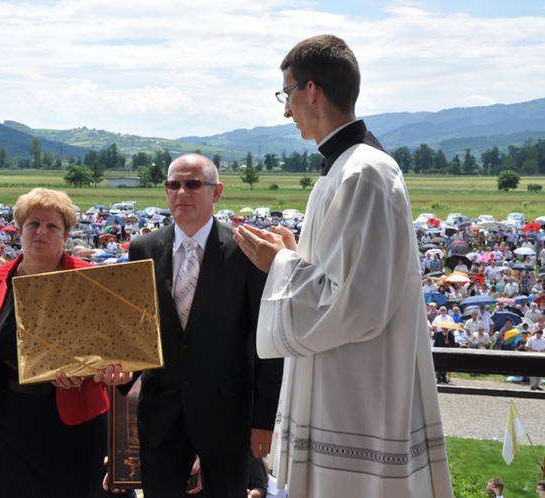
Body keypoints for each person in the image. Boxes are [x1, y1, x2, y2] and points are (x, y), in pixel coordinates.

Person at [233, 34, 453, 496]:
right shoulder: (346, 169)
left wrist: (279, 264)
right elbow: (344, 275)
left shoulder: (363, 173)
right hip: (343, 389)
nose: (285, 110)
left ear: (311, 90)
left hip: (355, 403)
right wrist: (294, 254)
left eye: (287, 93)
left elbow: (355, 304)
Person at [0, 188, 131, 498]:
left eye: (52, 226)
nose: (41, 232)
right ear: (20, 230)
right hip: (5, 424)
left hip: (73, 424)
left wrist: (88, 371)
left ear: (65, 235)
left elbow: (111, 352)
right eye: (33, 223)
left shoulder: (89, 280)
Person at [126, 153, 283, 497]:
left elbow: (266, 339)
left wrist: (263, 420)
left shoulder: (245, 251)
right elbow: (134, 328)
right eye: (173, 184)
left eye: (193, 184)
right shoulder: (143, 248)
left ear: (217, 192)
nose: (181, 192)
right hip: (161, 417)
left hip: (227, 417)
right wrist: (123, 373)